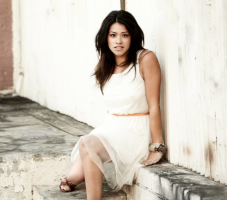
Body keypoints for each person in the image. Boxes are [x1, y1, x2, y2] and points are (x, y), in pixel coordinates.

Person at [59, 10, 167, 199]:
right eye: (113, 35)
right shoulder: (105, 64)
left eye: (124, 35)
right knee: (74, 175)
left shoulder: (145, 59)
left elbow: (154, 105)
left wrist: (156, 147)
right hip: (110, 127)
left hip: (134, 131)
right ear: (106, 38)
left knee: (87, 143)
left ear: (133, 36)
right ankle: (73, 178)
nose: (118, 41)